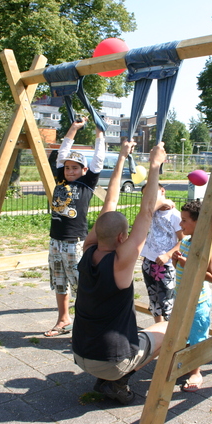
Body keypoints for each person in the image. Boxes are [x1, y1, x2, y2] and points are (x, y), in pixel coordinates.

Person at [72, 140, 169, 405]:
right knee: (169, 328)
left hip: (80, 354)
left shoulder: (88, 249)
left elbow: (110, 201)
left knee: (140, 332)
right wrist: (155, 164)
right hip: (108, 361)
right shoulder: (121, 261)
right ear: (123, 237)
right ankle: (118, 381)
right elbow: (146, 212)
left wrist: (122, 157)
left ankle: (109, 376)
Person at [45, 117, 106, 337]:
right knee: (59, 281)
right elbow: (62, 154)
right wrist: (73, 128)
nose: (70, 171)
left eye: (75, 168)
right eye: (68, 168)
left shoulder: (86, 183)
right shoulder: (61, 179)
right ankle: (63, 320)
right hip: (55, 240)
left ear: (83, 170)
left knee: (81, 284)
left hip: (74, 242)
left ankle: (87, 322)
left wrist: (100, 134)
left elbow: (98, 159)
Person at [172, 200, 212, 392]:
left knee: (198, 336)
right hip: (181, 297)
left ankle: (196, 372)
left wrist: (186, 263)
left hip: (198, 301)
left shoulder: (206, 246)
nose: (180, 225)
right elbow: (181, 270)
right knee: (181, 333)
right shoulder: (185, 242)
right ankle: (183, 363)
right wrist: (176, 262)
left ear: (198, 223)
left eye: (184, 221)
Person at [140, 183, 183, 323]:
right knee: (153, 299)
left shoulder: (175, 215)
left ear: (163, 190)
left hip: (166, 265)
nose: (150, 198)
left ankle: (168, 334)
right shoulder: (151, 213)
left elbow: (184, 240)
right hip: (149, 261)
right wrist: (163, 202)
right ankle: (157, 326)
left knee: (167, 301)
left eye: (153, 193)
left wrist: (168, 254)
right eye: (146, 195)